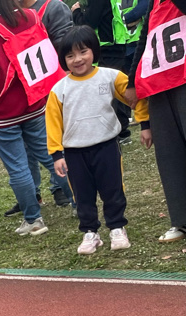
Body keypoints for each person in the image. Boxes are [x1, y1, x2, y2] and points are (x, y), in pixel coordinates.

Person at [0, 0, 75, 237]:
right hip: (35, 101)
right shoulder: (31, 17)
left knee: (18, 168)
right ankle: (79, 201)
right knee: (52, 156)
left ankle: (33, 219)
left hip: (2, 112)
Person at [48, 26, 147, 253]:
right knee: (82, 195)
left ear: (93, 50)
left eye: (83, 51)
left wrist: (145, 122)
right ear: (64, 60)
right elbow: (53, 123)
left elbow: (135, 96)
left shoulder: (110, 77)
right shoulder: (58, 90)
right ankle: (90, 232)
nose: (77, 59)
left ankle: (117, 228)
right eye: (70, 55)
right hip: (74, 153)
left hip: (107, 146)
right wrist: (56, 154)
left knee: (113, 189)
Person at [128, 0, 186, 243]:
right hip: (160, 81)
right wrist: (132, 80)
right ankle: (180, 219)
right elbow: (146, 37)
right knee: (169, 153)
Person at [71, 0, 142, 142]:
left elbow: (89, 23)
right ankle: (123, 130)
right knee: (117, 86)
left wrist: (76, 12)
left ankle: (119, 131)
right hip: (118, 44)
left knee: (108, 90)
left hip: (107, 47)